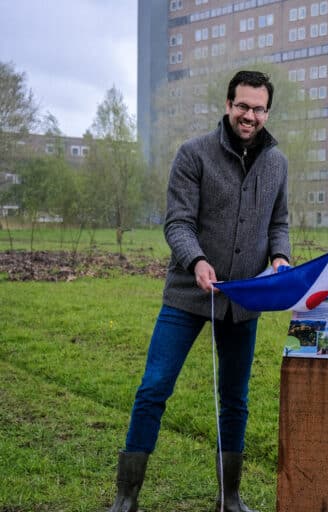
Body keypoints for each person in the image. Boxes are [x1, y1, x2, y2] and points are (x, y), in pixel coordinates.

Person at [108, 70, 290, 512]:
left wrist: (281, 259)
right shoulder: (193, 154)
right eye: (243, 106)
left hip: (242, 302)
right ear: (228, 105)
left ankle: (229, 497)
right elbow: (178, 222)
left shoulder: (277, 162)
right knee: (154, 387)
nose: (250, 115)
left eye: (258, 108)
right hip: (189, 294)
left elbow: (278, 222)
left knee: (235, 400)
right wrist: (198, 260)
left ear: (267, 111)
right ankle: (126, 497)